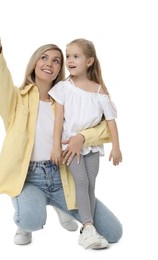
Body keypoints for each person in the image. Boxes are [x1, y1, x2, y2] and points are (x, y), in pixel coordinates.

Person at [0, 18, 123, 249]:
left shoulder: (68, 98)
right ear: (35, 63)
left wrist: (83, 137)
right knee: (31, 220)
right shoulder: (16, 99)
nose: (50, 63)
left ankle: (61, 206)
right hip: (29, 178)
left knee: (113, 232)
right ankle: (27, 213)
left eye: (57, 60)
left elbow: (105, 125)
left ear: (61, 68)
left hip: (62, 177)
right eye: (44, 57)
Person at [49, 38, 122, 249]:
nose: (70, 60)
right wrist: (56, 146)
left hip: (92, 147)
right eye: (68, 56)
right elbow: (58, 120)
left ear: (89, 61)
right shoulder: (64, 87)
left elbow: (111, 123)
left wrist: (116, 147)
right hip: (69, 146)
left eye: (76, 56)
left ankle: (87, 228)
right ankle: (88, 225)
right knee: (81, 182)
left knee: (91, 183)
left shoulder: (99, 92)